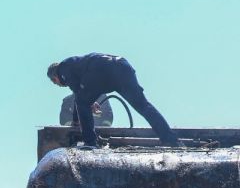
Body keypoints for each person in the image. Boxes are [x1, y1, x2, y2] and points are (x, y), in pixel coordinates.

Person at [47, 53, 177, 146]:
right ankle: (171, 140)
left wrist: (76, 121)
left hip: (102, 71)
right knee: (143, 106)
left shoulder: (64, 67)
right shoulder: (76, 65)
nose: (58, 84)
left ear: (55, 76)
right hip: (123, 67)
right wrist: (90, 100)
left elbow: (79, 96)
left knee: (82, 102)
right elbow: (82, 94)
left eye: (55, 82)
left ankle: (90, 142)